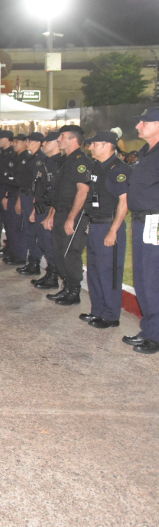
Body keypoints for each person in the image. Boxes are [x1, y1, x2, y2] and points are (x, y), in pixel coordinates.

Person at [81, 129, 130, 329]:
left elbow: (124, 203)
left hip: (108, 226)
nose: (90, 147)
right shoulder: (96, 167)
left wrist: (113, 231)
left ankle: (110, 315)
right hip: (95, 224)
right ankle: (98, 310)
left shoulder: (118, 170)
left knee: (108, 271)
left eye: (94, 144)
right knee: (94, 270)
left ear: (107, 145)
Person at [41, 125, 92, 306]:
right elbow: (59, 192)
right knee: (59, 250)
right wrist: (51, 215)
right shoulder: (66, 161)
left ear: (73, 139)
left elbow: (83, 191)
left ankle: (74, 291)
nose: (59, 139)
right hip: (61, 211)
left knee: (71, 252)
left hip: (74, 214)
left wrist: (71, 218)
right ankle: (66, 287)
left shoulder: (81, 161)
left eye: (62, 136)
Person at [122, 108, 159, 353]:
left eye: (144, 122)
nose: (138, 126)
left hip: (156, 220)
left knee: (154, 277)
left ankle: (156, 335)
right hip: (141, 221)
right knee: (143, 278)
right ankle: (149, 329)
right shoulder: (146, 152)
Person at [30, 132, 64, 290]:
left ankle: (53, 276)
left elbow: (58, 192)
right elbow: (39, 187)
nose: (43, 144)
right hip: (40, 207)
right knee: (43, 243)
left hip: (50, 208)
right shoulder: (45, 162)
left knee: (50, 244)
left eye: (47, 142)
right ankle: (50, 274)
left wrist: (51, 214)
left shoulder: (60, 164)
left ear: (57, 143)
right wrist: (34, 209)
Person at [15, 132, 46, 276]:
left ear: (38, 143)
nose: (27, 143)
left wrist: (34, 203)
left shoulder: (40, 159)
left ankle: (35, 262)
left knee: (34, 231)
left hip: (32, 197)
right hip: (25, 195)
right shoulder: (30, 157)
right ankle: (31, 261)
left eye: (30, 141)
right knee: (28, 230)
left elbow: (37, 184)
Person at [1, 133, 31, 266]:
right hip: (11, 193)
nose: (14, 144)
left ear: (25, 142)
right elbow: (10, 179)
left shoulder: (27, 158)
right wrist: (7, 196)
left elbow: (24, 183)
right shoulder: (14, 157)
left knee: (18, 227)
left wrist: (19, 200)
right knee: (11, 225)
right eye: (13, 142)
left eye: (17, 142)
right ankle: (13, 252)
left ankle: (20, 255)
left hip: (19, 195)